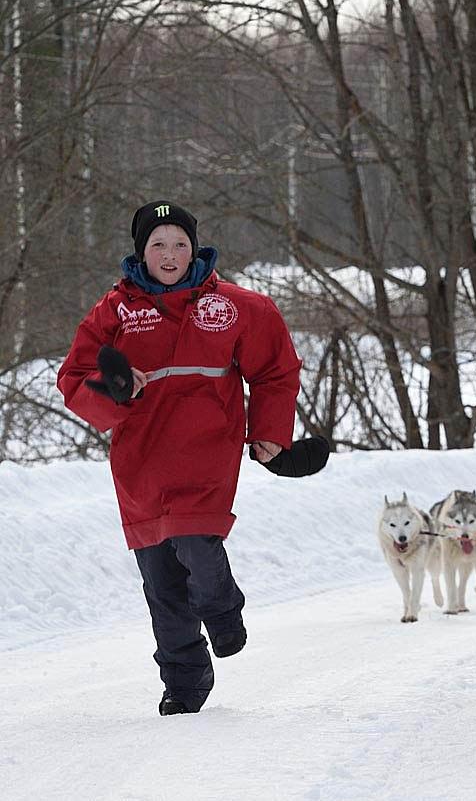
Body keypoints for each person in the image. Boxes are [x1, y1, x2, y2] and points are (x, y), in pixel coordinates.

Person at [57, 200, 304, 715]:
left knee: (195, 540)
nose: (169, 254)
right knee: (161, 577)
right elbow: (74, 381)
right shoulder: (112, 312)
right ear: (140, 251)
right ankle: (185, 684)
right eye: (158, 244)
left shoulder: (241, 307)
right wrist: (115, 388)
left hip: (207, 449)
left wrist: (269, 433)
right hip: (141, 459)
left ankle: (223, 606)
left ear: (195, 248)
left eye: (179, 244)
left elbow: (276, 370)